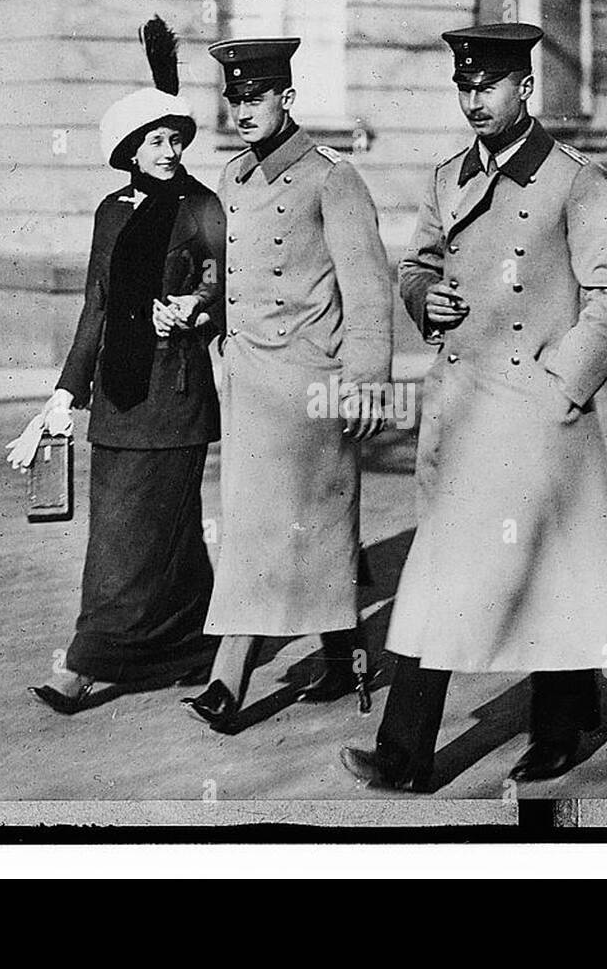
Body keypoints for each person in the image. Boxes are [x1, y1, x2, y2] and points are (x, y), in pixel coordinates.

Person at [341, 23, 607, 790]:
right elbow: (414, 264)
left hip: (536, 415)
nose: (473, 100)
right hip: (464, 409)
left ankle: (555, 730)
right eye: (463, 88)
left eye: (487, 86)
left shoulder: (575, 181)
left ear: (525, 89)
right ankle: (408, 753)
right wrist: (424, 300)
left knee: (545, 574)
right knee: (439, 574)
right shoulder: (447, 176)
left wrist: (561, 385)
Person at [181, 37, 393, 731]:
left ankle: (227, 680)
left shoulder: (332, 178)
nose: (242, 109)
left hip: (312, 383)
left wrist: (366, 381)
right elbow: (223, 270)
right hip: (248, 379)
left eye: (256, 97)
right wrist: (200, 307)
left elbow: (367, 289)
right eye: (234, 98)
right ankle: (344, 654)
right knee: (292, 526)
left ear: (288, 98)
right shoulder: (232, 179)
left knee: (287, 528)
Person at [19, 17, 225, 714]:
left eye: (175, 138)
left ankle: (83, 663)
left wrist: (197, 311)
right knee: (146, 534)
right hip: (118, 400)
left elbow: (226, 288)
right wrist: (63, 395)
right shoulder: (111, 212)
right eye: (155, 140)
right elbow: (96, 308)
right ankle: (195, 645)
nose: (168, 150)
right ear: (131, 150)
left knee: (139, 538)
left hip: (176, 396)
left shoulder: (203, 206)